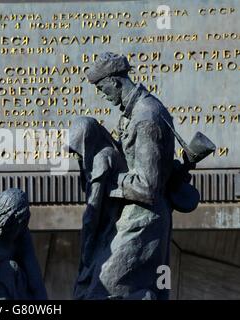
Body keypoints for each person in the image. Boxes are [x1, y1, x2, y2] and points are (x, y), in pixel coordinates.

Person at [82, 52, 175, 299]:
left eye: (102, 88)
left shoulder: (146, 118)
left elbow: (147, 187)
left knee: (100, 291)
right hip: (133, 216)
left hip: (144, 220)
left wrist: (109, 180)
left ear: (115, 81)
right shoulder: (133, 112)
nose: (101, 94)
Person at [67, 117, 127, 299]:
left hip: (108, 230)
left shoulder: (102, 160)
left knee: (88, 290)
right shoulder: (110, 152)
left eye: (79, 151)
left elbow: (93, 209)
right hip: (110, 227)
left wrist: (86, 247)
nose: (77, 156)